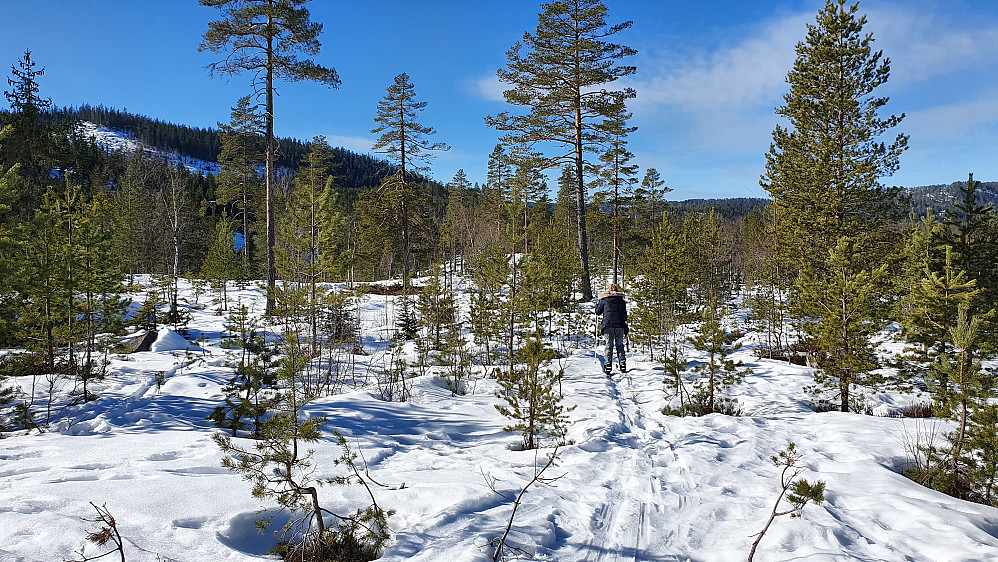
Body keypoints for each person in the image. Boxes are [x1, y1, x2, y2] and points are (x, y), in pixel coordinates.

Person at [595, 283, 628, 375]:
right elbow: (624, 316)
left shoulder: (604, 300)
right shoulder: (621, 301)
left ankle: (608, 365)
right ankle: (622, 364)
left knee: (609, 346)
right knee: (620, 345)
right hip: (619, 325)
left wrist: (597, 304)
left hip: (608, 325)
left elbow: (598, 312)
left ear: (608, 291)